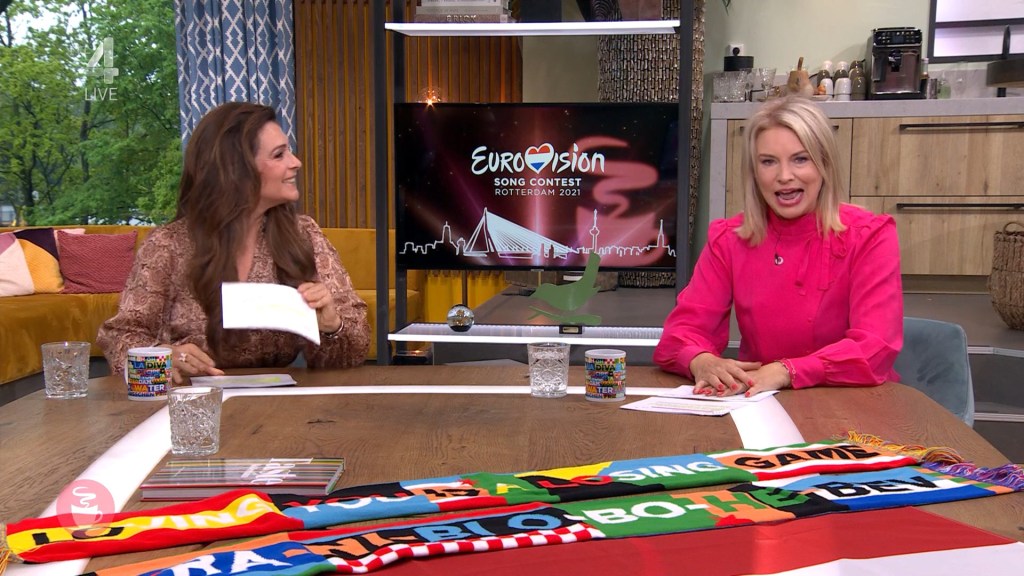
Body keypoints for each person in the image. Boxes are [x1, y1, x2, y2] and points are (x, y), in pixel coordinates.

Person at [98, 102, 370, 384]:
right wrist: (166, 357)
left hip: (281, 401)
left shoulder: (304, 234)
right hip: (192, 401)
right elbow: (121, 340)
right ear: (237, 169)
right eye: (279, 154)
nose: (296, 162)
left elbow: (353, 353)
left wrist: (331, 326)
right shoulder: (168, 245)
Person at [654, 96, 902, 397]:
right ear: (754, 172)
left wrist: (786, 371)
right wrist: (701, 360)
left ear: (824, 164)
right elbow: (680, 335)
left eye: (800, 159)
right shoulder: (728, 239)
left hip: (851, 401)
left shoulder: (870, 235)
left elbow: (874, 348)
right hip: (758, 401)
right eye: (768, 162)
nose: (784, 176)